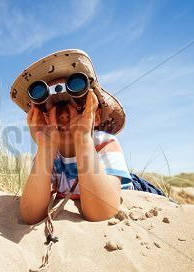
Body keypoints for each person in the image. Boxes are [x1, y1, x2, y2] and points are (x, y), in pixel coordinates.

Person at [10, 49, 161, 225]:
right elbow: (30, 215)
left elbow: (101, 212)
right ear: (42, 118)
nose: (65, 116)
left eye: (77, 106)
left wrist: (83, 138)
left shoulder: (104, 143)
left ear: (95, 117)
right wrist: (46, 148)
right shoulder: (49, 156)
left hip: (128, 188)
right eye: (56, 108)